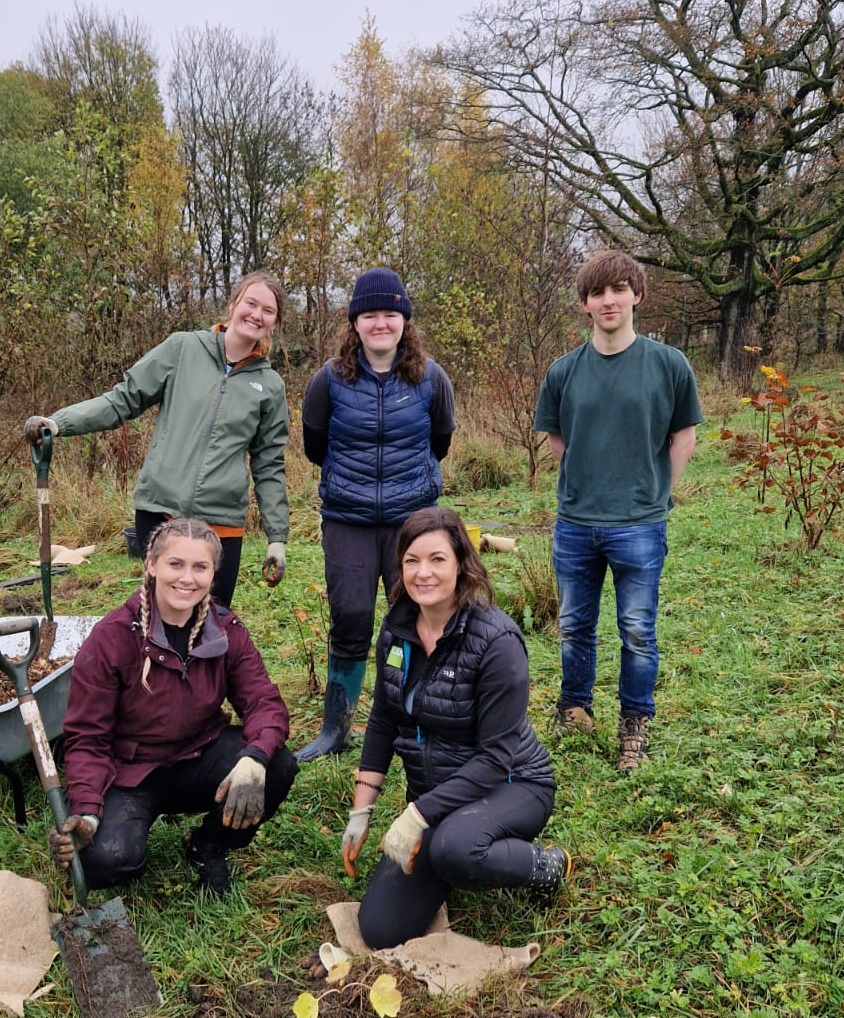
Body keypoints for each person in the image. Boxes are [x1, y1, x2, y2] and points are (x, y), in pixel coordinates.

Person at [340, 507, 569, 949]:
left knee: (454, 848)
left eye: (437, 559)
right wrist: (361, 810)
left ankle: (544, 866)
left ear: (462, 563)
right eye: (411, 560)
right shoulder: (396, 629)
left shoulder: (497, 642)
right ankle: (452, 844)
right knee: (380, 929)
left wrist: (417, 815)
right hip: (438, 794)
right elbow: (385, 718)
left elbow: (495, 758)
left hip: (513, 783)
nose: (422, 573)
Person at [50, 517, 298, 898]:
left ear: (214, 574)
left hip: (198, 755)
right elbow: (86, 737)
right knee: (104, 861)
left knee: (277, 766)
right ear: (151, 565)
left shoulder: (226, 629)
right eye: (175, 565)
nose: (187, 579)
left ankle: (209, 844)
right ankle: (111, 827)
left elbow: (264, 702)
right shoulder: (112, 637)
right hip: (129, 772)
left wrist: (255, 757)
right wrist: (85, 810)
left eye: (200, 567)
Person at [25, 270, 290, 608]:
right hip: (161, 513)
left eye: (268, 311)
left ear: (274, 322)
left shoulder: (269, 386)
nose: (257, 314)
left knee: (212, 622)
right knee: (160, 617)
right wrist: (59, 423)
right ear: (234, 302)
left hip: (221, 524)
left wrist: (277, 538)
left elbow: (269, 464)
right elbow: (122, 399)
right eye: (251, 303)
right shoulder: (182, 349)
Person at [533, 249, 702, 770]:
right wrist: (587, 480)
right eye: (598, 293)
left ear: (637, 295)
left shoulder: (669, 365)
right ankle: (575, 708)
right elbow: (560, 439)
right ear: (584, 304)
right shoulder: (563, 372)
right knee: (575, 623)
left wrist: (653, 494)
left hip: (640, 525)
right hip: (577, 523)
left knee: (637, 629)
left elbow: (684, 437)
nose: (609, 300)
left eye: (619, 290)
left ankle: (635, 724)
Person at [296, 267, 456, 761]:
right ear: (355, 323)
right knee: (352, 617)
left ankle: (417, 721)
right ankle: (336, 730)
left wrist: (406, 491)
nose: (381, 323)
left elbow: (441, 441)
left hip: (413, 521)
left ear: (405, 320)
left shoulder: (431, 378)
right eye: (370, 315)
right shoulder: (329, 380)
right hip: (348, 519)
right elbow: (314, 445)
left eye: (391, 313)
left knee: (415, 614)